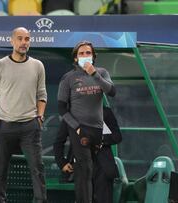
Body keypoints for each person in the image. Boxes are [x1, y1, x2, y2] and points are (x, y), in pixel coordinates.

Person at [0, 27, 48, 203]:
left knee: (38, 169)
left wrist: (40, 117)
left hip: (30, 127)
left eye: (27, 39)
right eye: (19, 38)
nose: (23, 42)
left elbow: (42, 95)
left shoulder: (38, 66)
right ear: (12, 41)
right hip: (5, 126)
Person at [57, 41, 116, 203]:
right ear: (75, 58)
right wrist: (76, 128)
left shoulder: (102, 73)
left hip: (97, 130)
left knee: (95, 173)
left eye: (88, 53)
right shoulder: (68, 78)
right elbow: (61, 107)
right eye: (81, 53)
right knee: (85, 170)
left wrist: (94, 74)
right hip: (79, 129)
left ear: (93, 56)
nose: (85, 56)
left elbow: (112, 92)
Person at [53, 106, 122, 203]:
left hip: (103, 167)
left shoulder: (105, 112)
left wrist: (99, 139)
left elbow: (117, 136)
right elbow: (58, 142)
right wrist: (62, 162)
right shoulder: (71, 115)